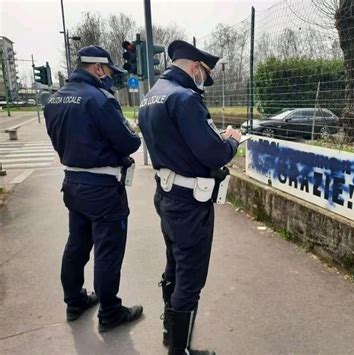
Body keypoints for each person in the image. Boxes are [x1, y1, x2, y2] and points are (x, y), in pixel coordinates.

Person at [139, 40, 241, 354]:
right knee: (190, 278)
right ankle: (178, 351)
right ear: (196, 67)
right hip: (189, 203)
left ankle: (172, 336)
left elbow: (177, 144)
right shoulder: (184, 99)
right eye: (204, 74)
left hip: (167, 195)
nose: (203, 81)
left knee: (174, 266)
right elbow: (212, 153)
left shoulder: (152, 96)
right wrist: (232, 142)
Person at [44, 45, 143, 332]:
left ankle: (74, 301)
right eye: (110, 71)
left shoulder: (55, 100)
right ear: (98, 68)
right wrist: (131, 131)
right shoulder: (100, 100)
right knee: (108, 251)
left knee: (77, 244)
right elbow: (129, 143)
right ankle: (110, 313)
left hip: (73, 184)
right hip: (102, 188)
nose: (110, 76)